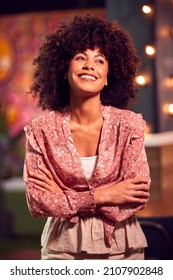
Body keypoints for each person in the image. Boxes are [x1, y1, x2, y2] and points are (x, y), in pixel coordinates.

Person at [23, 14, 151, 260]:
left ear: (107, 77)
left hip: (122, 249)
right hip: (62, 250)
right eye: (80, 57)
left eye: (99, 60)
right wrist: (105, 195)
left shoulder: (129, 126)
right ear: (63, 70)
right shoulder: (41, 131)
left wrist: (63, 197)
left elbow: (137, 195)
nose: (89, 65)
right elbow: (39, 202)